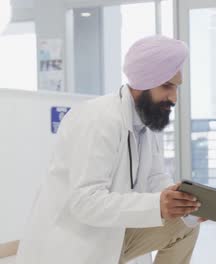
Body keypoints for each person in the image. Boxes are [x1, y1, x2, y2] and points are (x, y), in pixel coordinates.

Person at [17, 36, 203, 264]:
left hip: (113, 236)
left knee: (184, 226)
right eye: (167, 86)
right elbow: (84, 202)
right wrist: (157, 205)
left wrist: (182, 203)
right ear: (143, 83)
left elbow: (156, 179)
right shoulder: (98, 120)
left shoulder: (146, 123)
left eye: (176, 87)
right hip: (71, 245)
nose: (174, 97)